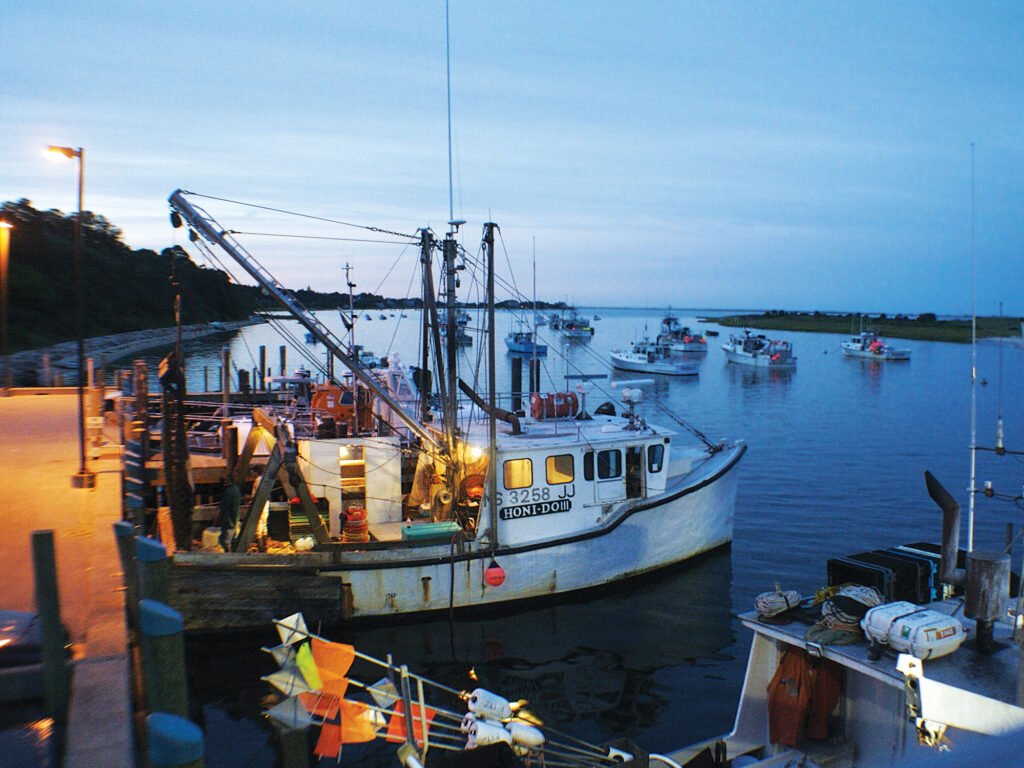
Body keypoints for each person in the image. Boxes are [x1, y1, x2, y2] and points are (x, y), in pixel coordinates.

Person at [219, 475, 241, 552]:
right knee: (232, 539)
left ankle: (228, 556)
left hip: (229, 520)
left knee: (225, 541)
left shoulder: (229, 491)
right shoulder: (236, 489)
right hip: (235, 519)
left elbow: (223, 506)